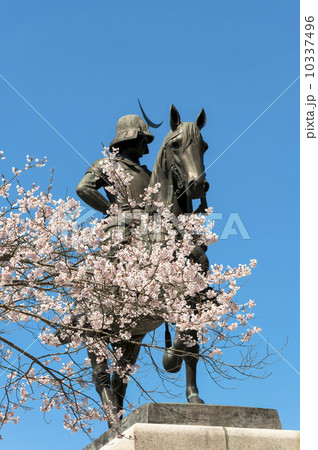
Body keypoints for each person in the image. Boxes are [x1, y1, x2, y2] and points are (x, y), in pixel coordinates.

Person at [76, 114, 154, 215]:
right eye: (143, 141)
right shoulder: (108, 165)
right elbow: (83, 188)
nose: (145, 148)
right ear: (129, 141)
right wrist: (112, 210)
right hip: (122, 224)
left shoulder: (150, 175)